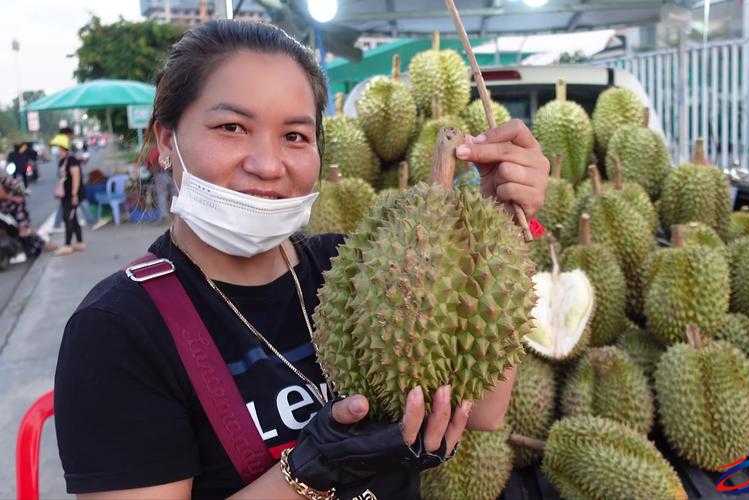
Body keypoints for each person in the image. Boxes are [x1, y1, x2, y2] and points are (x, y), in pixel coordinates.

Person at [54, 20, 549, 499]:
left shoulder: (352, 268)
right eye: (231, 127)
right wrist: (311, 471)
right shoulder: (119, 329)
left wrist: (502, 224)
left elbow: (481, 410)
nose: (267, 165)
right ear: (167, 141)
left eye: (294, 136)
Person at [0, 175, 53, 258]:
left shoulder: (6, 179)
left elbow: (4, 193)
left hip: (15, 206)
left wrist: (16, 197)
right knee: (18, 229)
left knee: (23, 230)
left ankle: (42, 245)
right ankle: (32, 248)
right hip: (7, 208)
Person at [52, 134, 85, 256]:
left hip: (72, 195)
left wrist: (74, 194)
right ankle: (80, 242)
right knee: (73, 217)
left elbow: (76, 177)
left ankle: (67, 245)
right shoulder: (62, 160)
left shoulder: (72, 160)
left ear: (63, 147)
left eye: (59, 148)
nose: (57, 150)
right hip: (65, 195)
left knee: (68, 218)